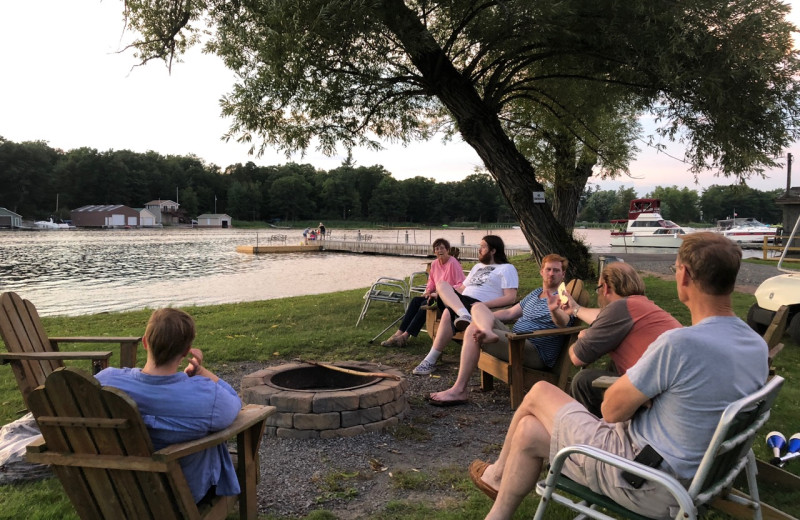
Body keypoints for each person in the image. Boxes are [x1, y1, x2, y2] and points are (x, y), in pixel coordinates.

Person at [473, 232, 768, 520]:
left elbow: (612, 410)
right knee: (528, 431)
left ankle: (497, 474)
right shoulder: (754, 344)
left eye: (675, 268)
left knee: (539, 392)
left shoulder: (679, 344)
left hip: (645, 481)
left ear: (685, 276)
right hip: (695, 475)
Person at [95, 308, 242, 504]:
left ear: (145, 343)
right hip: (180, 494)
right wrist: (200, 370)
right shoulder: (206, 397)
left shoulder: (105, 381)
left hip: (117, 491)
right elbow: (234, 400)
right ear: (185, 351)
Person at [427, 254, 573, 406]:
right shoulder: (535, 293)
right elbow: (510, 313)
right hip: (516, 339)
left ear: (563, 274)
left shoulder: (563, 298)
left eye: (556, 270)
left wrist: (554, 310)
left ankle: (459, 390)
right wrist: (482, 317)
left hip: (531, 350)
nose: (551, 273)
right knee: (478, 307)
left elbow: (564, 321)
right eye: (548, 269)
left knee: (472, 330)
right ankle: (486, 330)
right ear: (541, 271)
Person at [561, 261, 681, 416]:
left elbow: (578, 357)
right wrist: (575, 309)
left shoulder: (619, 308)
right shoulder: (641, 306)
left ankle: (589, 436)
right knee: (612, 366)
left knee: (583, 381)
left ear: (605, 288)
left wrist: (582, 338)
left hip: (657, 399)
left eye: (598, 289)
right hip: (672, 392)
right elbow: (601, 317)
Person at [412, 235, 518, 375]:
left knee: (448, 312)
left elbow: (510, 298)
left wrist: (482, 306)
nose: (479, 250)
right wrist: (441, 295)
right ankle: (464, 314)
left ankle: (430, 360)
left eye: (483, 247)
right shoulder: (477, 267)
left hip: (479, 306)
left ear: (493, 250)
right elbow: (461, 289)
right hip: (464, 302)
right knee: (441, 284)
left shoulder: (506, 268)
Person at [381, 238, 466, 347]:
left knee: (425, 304)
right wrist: (428, 291)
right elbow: (431, 281)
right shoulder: (434, 264)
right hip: (435, 296)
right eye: (437, 248)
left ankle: (405, 336)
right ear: (434, 251)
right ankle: (398, 333)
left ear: (447, 250)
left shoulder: (453, 263)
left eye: (442, 248)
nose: (439, 250)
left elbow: (461, 284)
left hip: (449, 299)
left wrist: (440, 293)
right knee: (416, 300)